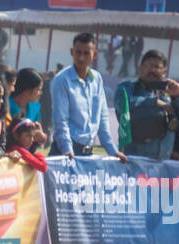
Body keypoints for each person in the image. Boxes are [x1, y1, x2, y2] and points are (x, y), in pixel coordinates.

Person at [50, 32, 128, 161]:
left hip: (87, 152)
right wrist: (67, 150)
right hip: (66, 151)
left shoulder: (97, 78)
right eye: (78, 52)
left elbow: (102, 119)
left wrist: (113, 151)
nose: (81, 58)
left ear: (95, 54)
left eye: (86, 53)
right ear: (71, 52)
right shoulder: (61, 80)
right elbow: (60, 120)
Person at [114, 49, 179, 161]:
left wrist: (178, 96)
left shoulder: (169, 94)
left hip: (163, 164)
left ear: (164, 71)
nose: (152, 70)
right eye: (149, 66)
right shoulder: (128, 87)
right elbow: (122, 104)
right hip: (133, 161)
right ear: (140, 67)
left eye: (157, 67)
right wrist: (154, 102)